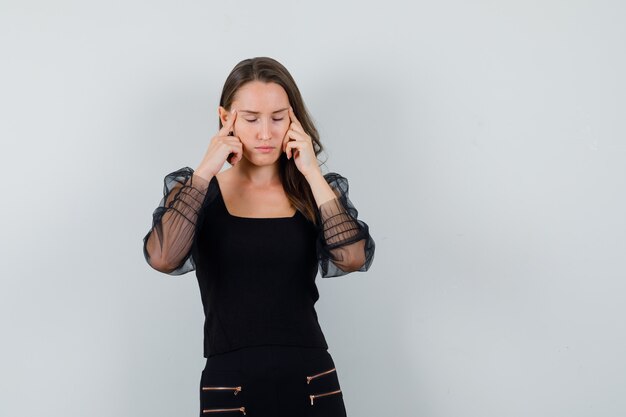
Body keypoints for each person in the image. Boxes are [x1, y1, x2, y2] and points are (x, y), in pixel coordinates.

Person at [142, 57, 375, 417]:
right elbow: (163, 257)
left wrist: (312, 173)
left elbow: (353, 257)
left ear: (294, 120)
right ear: (226, 118)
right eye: (250, 119)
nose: (265, 133)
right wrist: (207, 167)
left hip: (311, 380)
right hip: (231, 385)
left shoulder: (316, 192)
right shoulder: (197, 194)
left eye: (278, 117)